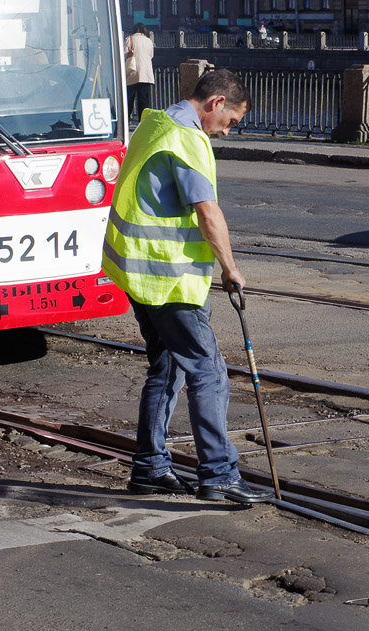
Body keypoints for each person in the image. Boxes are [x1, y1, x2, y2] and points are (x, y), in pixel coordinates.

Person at [102, 69, 272, 504]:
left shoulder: (155, 123)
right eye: (231, 121)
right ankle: (218, 475)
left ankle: (150, 468)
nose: (227, 132)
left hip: (138, 272)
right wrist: (230, 267)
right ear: (215, 103)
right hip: (167, 279)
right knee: (209, 371)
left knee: (168, 366)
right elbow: (207, 211)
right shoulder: (188, 139)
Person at [125, 23, 154, 126]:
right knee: (144, 100)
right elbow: (151, 56)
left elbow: (124, 54)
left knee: (129, 99)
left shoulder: (129, 39)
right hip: (146, 74)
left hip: (132, 73)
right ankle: (143, 123)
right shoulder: (148, 41)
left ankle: (126, 121)